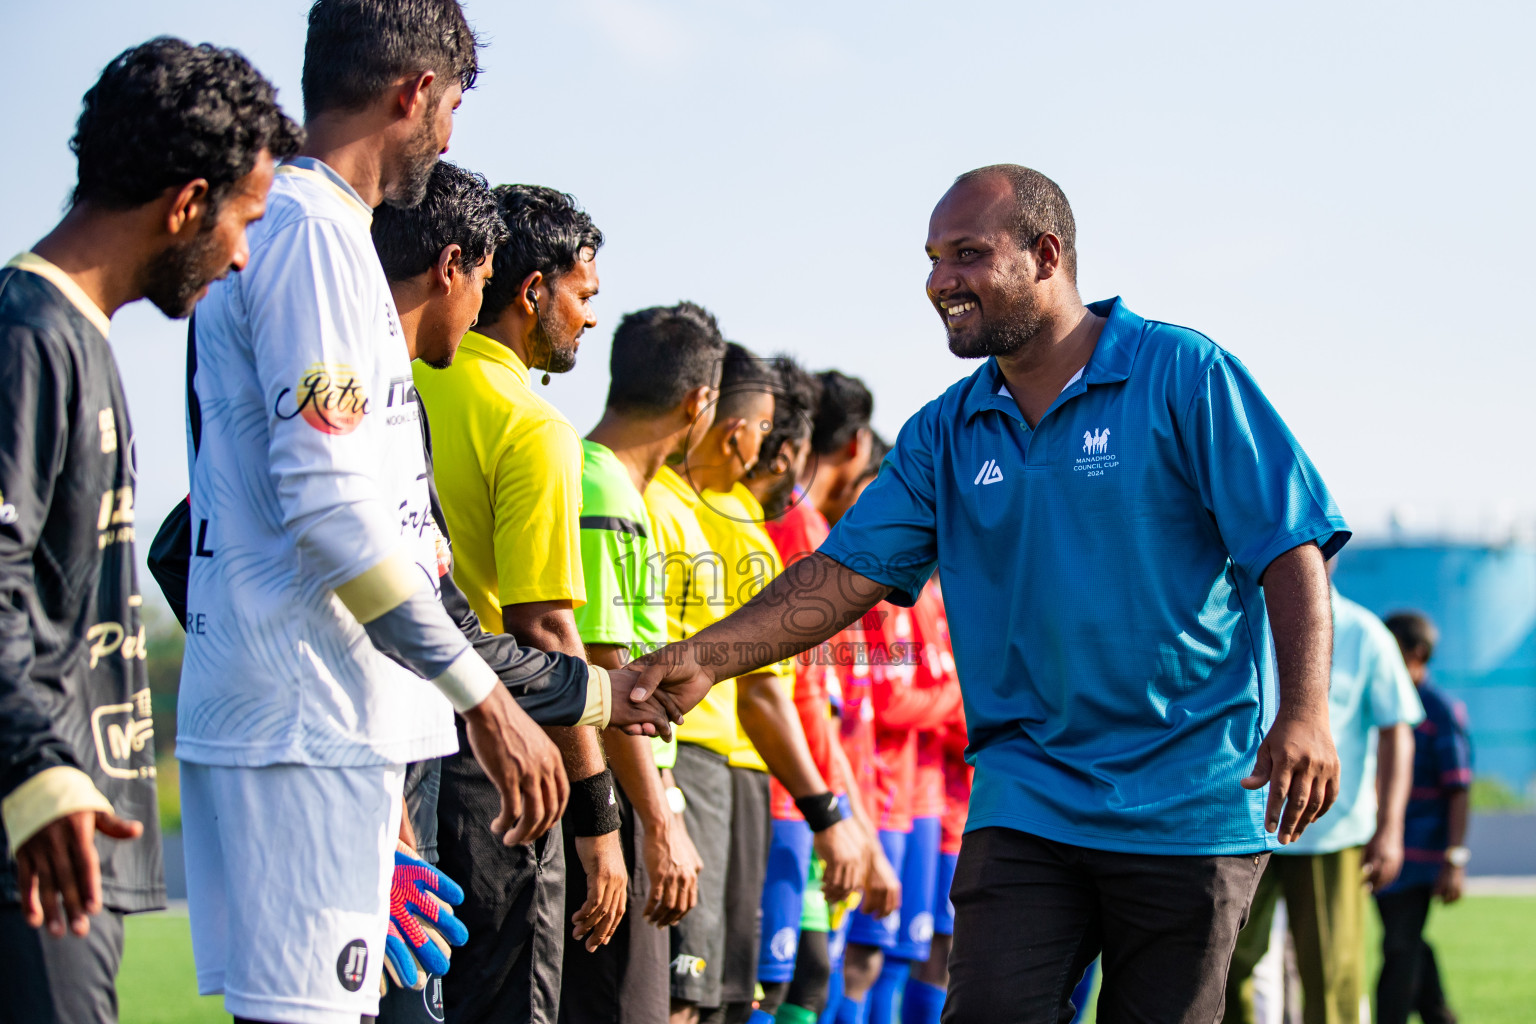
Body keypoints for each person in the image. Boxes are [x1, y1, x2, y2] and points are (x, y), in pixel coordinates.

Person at [630, 163, 1349, 1022]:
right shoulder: (947, 429)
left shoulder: (1183, 373)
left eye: (967, 254)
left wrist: (1304, 712)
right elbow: (840, 574)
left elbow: (1291, 545)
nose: (939, 282)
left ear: (1047, 255)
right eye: (933, 259)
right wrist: (706, 657)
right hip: (1028, 795)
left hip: (1189, 801)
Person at [179, 6, 659, 1022]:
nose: (448, 141)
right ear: (414, 95)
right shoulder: (309, 237)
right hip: (299, 734)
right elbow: (329, 510)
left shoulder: (321, 239)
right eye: (450, 111)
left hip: (335, 737)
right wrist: (482, 700)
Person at [0, 37, 298, 1023]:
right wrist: (38, 770)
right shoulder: (28, 337)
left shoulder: (83, 339)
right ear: (186, 204)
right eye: (244, 220)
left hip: (79, 840)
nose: (244, 253)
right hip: (36, 845)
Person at [372, 159, 648, 1022]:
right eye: (583, 290)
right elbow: (545, 632)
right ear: (529, 290)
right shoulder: (532, 426)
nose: (591, 314)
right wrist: (598, 821)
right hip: (503, 771)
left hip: (398, 749)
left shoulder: (397, 379)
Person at [674, 343, 866, 1024]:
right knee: (722, 988)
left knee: (745, 988)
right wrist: (831, 811)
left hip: (754, 777)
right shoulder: (770, 533)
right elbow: (773, 691)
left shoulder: (752, 525)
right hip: (734, 772)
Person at [565, 302, 727, 1023]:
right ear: (700, 402)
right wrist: (659, 825)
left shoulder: (604, 478)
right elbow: (606, 676)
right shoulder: (601, 488)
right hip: (609, 795)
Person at [753, 368, 899, 1024]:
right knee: (779, 983)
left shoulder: (809, 527)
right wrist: (841, 815)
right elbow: (804, 696)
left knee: (805, 979)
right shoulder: (801, 528)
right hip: (785, 795)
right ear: (856, 447)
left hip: (807, 792)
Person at [1223, 569, 1423, 1024]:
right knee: (1226, 968)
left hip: (1331, 832)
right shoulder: (1238, 617)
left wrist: (1390, 829)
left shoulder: (1364, 632)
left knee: (1333, 978)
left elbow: (1398, 730)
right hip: (1245, 826)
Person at [1376, 612, 1471, 1024]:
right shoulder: (1384, 703)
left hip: (1420, 855)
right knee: (1407, 941)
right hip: (1383, 847)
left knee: (1400, 946)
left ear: (1416, 653)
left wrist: (1454, 858)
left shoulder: (1440, 710)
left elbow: (1459, 788)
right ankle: (1439, 1016)